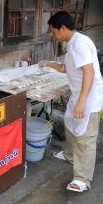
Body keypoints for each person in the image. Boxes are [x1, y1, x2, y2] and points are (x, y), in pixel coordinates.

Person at [39, 11, 103, 192]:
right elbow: (66, 68)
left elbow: (89, 72)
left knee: (85, 137)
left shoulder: (80, 44)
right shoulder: (72, 43)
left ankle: (82, 178)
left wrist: (82, 102)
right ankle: (70, 155)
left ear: (63, 28)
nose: (53, 35)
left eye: (53, 31)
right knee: (70, 125)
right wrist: (48, 63)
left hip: (89, 97)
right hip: (79, 95)